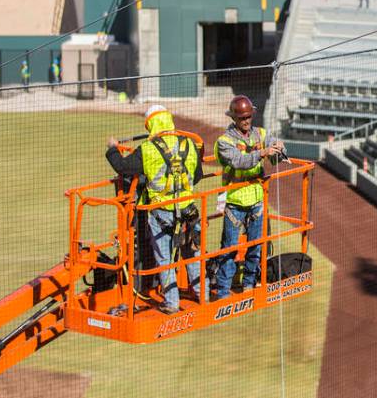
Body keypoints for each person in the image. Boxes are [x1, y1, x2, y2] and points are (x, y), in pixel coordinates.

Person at [106, 105, 205, 314]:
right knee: (192, 252)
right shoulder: (189, 143)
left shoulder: (148, 149)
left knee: (164, 258)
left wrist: (112, 149)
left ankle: (171, 302)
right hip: (189, 211)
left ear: (150, 125)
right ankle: (202, 293)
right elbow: (196, 176)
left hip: (161, 213)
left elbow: (123, 167)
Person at [213, 96, 286, 299]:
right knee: (229, 248)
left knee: (256, 245)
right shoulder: (225, 141)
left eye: (248, 117)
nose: (246, 121)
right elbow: (239, 161)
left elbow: (274, 153)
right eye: (242, 117)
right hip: (235, 201)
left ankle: (249, 284)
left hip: (256, 199)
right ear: (234, 118)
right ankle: (223, 291)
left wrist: (279, 148)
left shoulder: (260, 133)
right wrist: (262, 152)